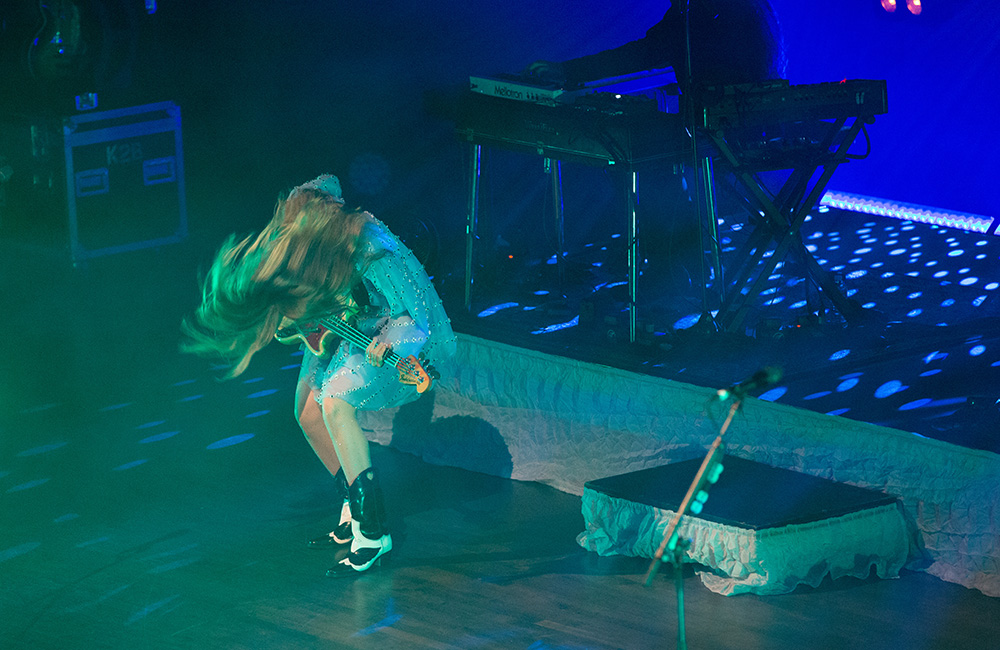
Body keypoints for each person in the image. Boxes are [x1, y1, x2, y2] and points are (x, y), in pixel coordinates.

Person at [182, 174, 456, 577]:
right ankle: (351, 507)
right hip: (345, 326)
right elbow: (327, 183)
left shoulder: (370, 245)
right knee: (308, 413)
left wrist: (389, 347)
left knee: (335, 403)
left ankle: (373, 534)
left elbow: (413, 315)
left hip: (392, 330)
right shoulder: (310, 235)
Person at [526, 0, 785, 92]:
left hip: (726, 133)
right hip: (762, 125)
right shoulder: (754, 6)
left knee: (629, 145)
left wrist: (567, 71)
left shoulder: (695, 12)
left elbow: (642, 54)